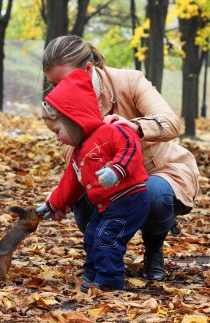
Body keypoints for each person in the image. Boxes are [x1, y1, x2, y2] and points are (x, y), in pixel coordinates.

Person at [39, 34, 200, 282]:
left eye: (65, 81)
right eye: (54, 84)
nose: (60, 90)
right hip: (107, 181)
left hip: (156, 170)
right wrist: (60, 198)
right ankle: (107, 257)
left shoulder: (128, 81)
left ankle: (154, 247)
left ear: (88, 69)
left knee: (153, 196)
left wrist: (134, 127)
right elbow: (74, 159)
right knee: (84, 209)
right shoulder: (61, 104)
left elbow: (170, 123)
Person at [41, 69, 150, 291]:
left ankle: (109, 282)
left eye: (58, 130)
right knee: (91, 236)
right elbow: (69, 184)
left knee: (107, 236)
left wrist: (117, 170)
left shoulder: (111, 130)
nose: (57, 138)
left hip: (129, 199)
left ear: (74, 120)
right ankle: (93, 275)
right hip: (107, 205)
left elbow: (130, 147)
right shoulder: (78, 152)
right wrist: (53, 204)